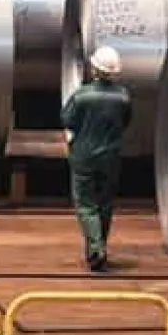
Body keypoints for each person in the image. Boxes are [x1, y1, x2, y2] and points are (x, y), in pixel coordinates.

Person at [60, 46, 132, 272]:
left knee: (86, 204)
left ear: (94, 69)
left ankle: (96, 250)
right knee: (105, 203)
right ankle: (99, 248)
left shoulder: (82, 96)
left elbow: (67, 120)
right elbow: (126, 122)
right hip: (111, 157)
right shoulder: (123, 97)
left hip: (84, 156)